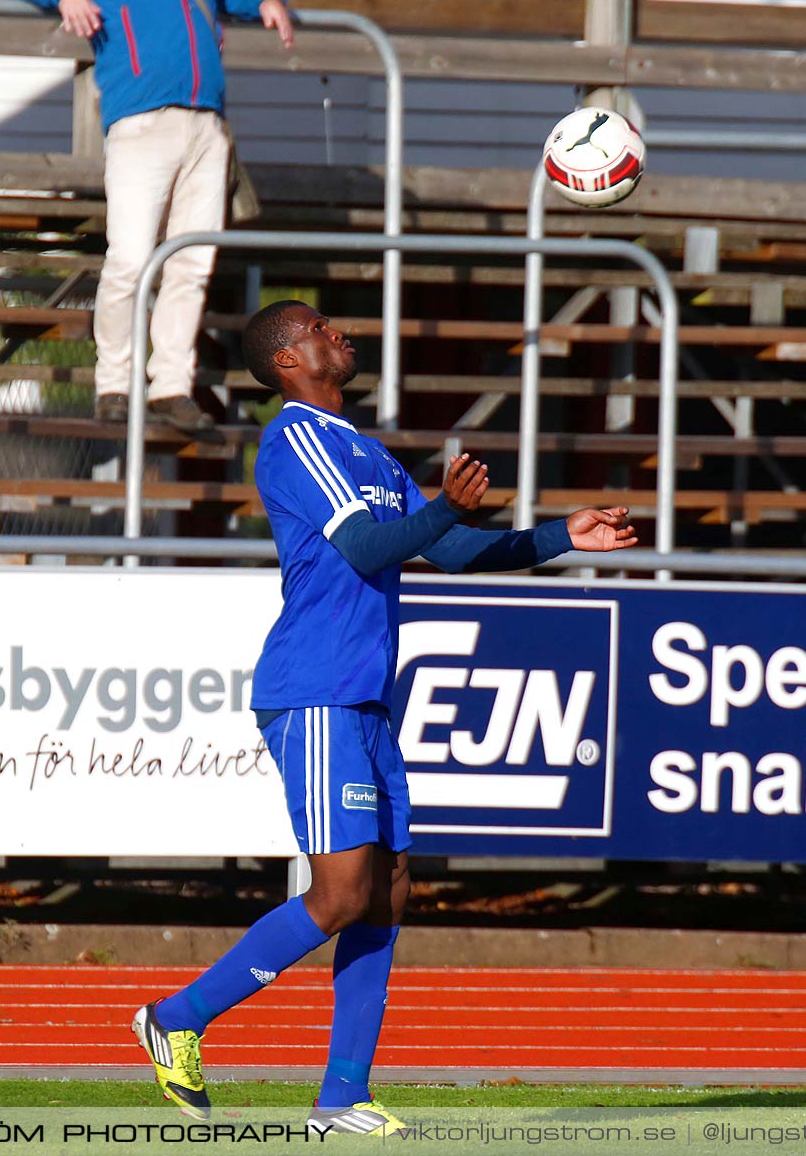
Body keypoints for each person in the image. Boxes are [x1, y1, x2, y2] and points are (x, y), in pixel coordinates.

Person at [131, 300, 639, 1135]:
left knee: (387, 893)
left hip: (367, 696)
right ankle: (178, 1019)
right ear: (289, 359)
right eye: (322, 327)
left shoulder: (363, 448)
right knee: (338, 895)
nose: (342, 332)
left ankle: (341, 1098)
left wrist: (560, 537)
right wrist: (441, 508)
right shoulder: (295, 437)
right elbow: (368, 548)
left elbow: (447, 550)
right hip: (316, 688)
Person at [8, 0, 293, 430]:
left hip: (207, 128)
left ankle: (171, 387)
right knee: (130, 261)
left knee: (192, 265)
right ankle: (114, 386)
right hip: (142, 123)